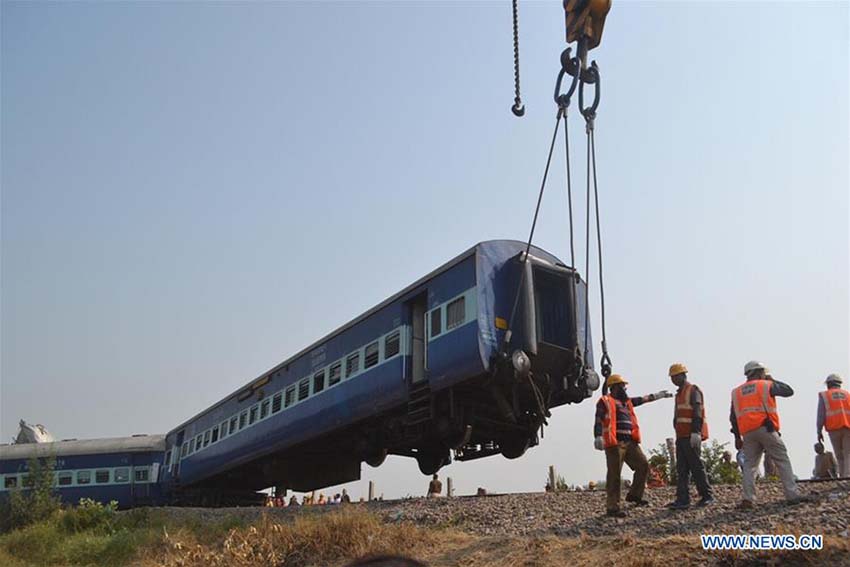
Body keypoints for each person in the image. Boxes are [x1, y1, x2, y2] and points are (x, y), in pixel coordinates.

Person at [593, 373, 673, 517]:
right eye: (622, 386)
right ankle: (612, 507)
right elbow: (598, 418)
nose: (625, 388)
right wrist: (598, 435)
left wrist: (658, 395)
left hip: (630, 442)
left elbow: (642, 399)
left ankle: (635, 495)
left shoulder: (627, 402)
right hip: (615, 444)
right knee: (614, 475)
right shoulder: (605, 401)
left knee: (643, 465)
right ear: (614, 387)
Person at [730, 361, 805, 509]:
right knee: (782, 459)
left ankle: (748, 498)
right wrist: (771, 379)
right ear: (759, 372)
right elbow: (788, 391)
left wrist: (737, 437)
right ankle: (792, 495)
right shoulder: (765, 385)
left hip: (747, 433)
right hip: (765, 428)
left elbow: (732, 416)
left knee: (749, 465)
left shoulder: (736, 392)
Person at [666, 363, 714, 510]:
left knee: (696, 467)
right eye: (672, 377)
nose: (674, 379)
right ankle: (683, 499)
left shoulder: (693, 390)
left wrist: (696, 432)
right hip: (681, 436)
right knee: (682, 469)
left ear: (683, 375)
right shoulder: (679, 393)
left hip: (691, 436)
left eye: (676, 376)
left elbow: (697, 411)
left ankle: (707, 496)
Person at [817, 373, 850, 477]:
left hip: (834, 428)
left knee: (839, 454)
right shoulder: (847, 395)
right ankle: (847, 476)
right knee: (848, 453)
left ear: (828, 384)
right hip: (847, 427)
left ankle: (842, 476)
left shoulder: (825, 395)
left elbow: (821, 414)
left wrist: (819, 431)